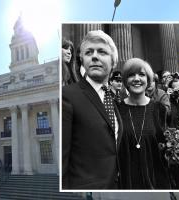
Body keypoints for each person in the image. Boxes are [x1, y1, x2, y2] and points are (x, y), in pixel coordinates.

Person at [62, 30, 123, 189]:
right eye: (89, 52)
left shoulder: (112, 98)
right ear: (82, 60)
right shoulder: (67, 95)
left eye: (102, 51)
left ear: (113, 61)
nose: (94, 56)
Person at [117, 58, 170, 189]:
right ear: (125, 81)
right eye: (131, 75)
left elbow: (165, 146)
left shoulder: (159, 109)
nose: (136, 79)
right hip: (125, 182)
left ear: (148, 80)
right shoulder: (116, 109)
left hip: (156, 181)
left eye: (141, 74)